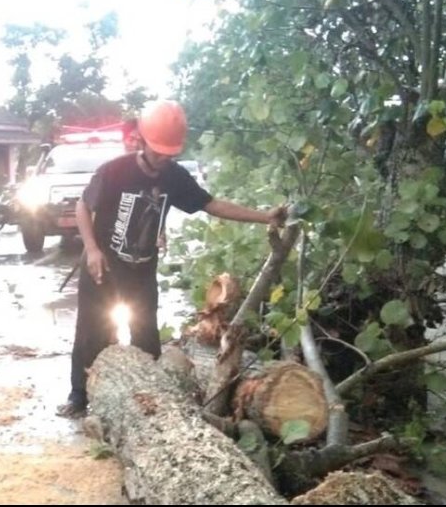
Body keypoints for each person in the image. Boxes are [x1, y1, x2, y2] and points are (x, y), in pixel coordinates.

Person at [57, 100, 287, 418]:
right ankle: (79, 398)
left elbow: (212, 204)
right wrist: (93, 249)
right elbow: (84, 206)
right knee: (90, 334)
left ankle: (149, 404)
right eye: (158, 150)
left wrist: (264, 217)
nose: (163, 157)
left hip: (141, 271)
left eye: (169, 152)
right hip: (104, 269)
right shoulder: (114, 171)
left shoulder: (174, 177)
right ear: (142, 139)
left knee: (147, 339)